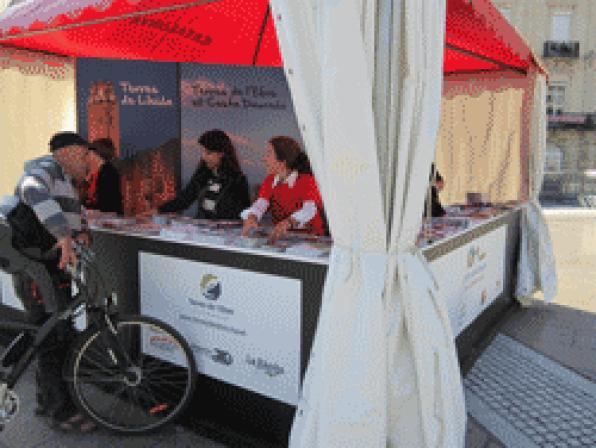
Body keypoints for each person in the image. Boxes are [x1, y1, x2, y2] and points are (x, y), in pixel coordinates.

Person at [6, 131, 97, 432]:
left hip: (49, 268)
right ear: (69, 152)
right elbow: (31, 189)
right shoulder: (45, 170)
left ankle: (49, 402)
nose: (87, 162)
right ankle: (60, 412)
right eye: (84, 155)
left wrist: (81, 229)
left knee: (56, 334)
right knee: (52, 338)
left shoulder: (64, 180)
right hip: (37, 271)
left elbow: (72, 211)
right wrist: (62, 235)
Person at [241, 136, 326, 243]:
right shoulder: (270, 181)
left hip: (312, 242)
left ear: (282, 162)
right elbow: (261, 204)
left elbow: (309, 210)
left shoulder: (307, 181)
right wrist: (252, 217)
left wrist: (288, 222)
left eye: (268, 153)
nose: (263, 159)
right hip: (284, 240)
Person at [154, 129, 250, 220]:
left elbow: (244, 213)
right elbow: (184, 200)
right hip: (201, 230)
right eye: (203, 152)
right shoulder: (202, 175)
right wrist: (159, 210)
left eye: (208, 153)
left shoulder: (238, 180)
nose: (203, 157)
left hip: (225, 233)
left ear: (221, 153)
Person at [84, 138, 123, 215]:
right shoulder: (96, 173)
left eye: (88, 153)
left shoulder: (109, 173)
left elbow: (108, 205)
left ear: (95, 154)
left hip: (107, 221)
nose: (86, 157)